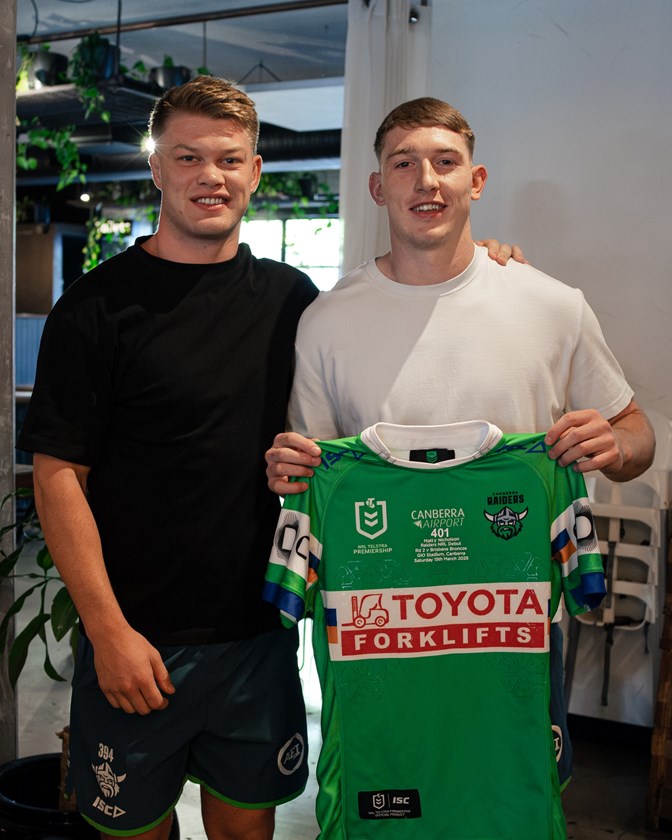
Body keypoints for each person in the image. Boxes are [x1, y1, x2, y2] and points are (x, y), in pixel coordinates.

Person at [16, 78, 521, 840]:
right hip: (138, 637)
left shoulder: (295, 302)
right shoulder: (95, 307)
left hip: (259, 635)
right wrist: (107, 629)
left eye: (229, 159)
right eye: (187, 157)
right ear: (156, 168)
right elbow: (58, 478)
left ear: (256, 172)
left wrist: (480, 263)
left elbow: (394, 314)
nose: (208, 177)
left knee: (247, 832)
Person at [264, 97, 656, 838]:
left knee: (507, 807)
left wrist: (615, 445)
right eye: (404, 163)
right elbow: (309, 475)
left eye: (445, 163)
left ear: (475, 180)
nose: (426, 180)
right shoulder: (326, 321)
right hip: (380, 653)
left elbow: (638, 436)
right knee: (387, 816)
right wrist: (286, 470)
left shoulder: (551, 304)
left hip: (513, 648)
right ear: (378, 187)